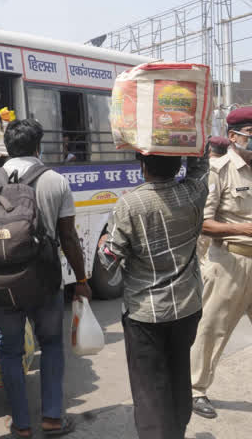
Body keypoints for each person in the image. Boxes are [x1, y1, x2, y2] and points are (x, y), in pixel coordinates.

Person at [0, 119, 91, 438]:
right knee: (50, 344)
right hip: (44, 279)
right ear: (38, 146)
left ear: (6, 147)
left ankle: (21, 423)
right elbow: (69, 237)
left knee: (10, 350)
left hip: (0, 281)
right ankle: (52, 417)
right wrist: (81, 279)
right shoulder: (54, 181)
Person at [98, 150, 208, 439]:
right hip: (187, 306)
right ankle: (177, 431)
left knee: (149, 388)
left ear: (143, 167)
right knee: (178, 373)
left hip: (145, 313)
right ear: (177, 163)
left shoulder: (130, 204)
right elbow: (201, 166)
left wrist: (102, 243)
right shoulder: (194, 192)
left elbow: (109, 260)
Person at [191, 107, 252, 420]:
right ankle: (196, 390)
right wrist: (244, 228)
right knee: (213, 328)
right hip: (229, 260)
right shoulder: (218, 170)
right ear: (233, 136)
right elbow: (203, 223)